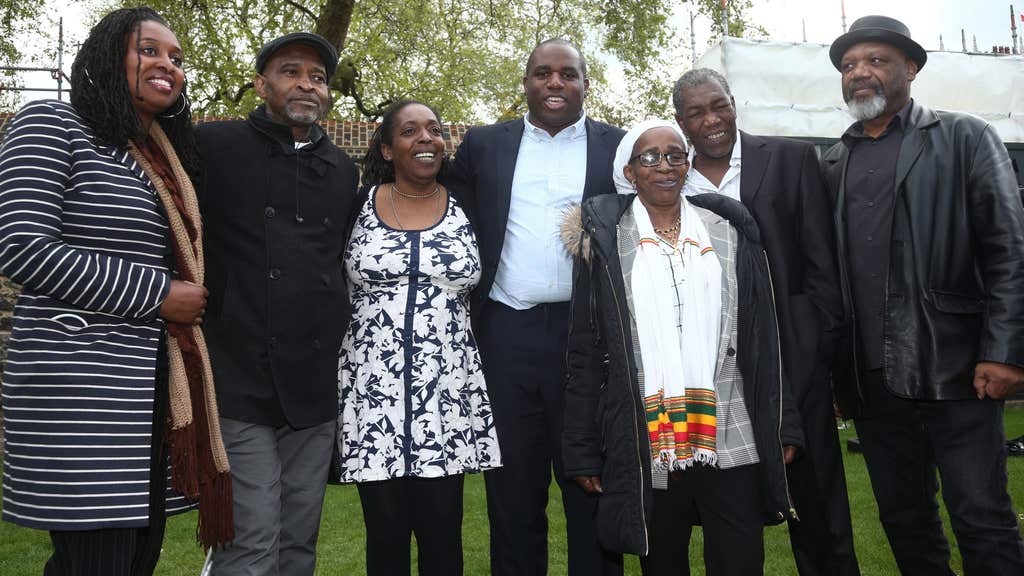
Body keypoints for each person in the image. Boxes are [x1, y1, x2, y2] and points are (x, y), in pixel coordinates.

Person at [0, 6, 232, 574]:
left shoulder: (159, 155)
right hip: (82, 388)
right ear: (108, 55)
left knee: (135, 559)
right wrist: (158, 294)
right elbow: (21, 248)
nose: (167, 65)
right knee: (95, 561)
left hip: (154, 386)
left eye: (176, 58)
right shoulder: (50, 123)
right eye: (148, 50)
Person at [822, 15, 1024, 575]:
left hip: (958, 371)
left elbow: (1009, 249)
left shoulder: (965, 136)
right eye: (848, 65)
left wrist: (1005, 351)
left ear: (910, 68)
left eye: (876, 60)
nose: (860, 73)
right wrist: (838, 374)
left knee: (981, 517)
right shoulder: (832, 162)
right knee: (906, 521)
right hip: (871, 384)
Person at [561, 119, 803, 576]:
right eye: (649, 158)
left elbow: (762, 335)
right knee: (664, 562)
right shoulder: (607, 242)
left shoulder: (728, 230)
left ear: (687, 165)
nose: (664, 166)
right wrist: (582, 446)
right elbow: (586, 350)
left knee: (740, 560)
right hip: (650, 435)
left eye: (675, 155)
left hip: (732, 425)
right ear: (629, 172)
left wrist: (783, 421)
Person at [446, 38, 625, 575]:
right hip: (507, 336)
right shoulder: (483, 145)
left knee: (589, 486)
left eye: (567, 74)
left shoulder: (617, 147)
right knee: (513, 493)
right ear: (525, 82)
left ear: (585, 85)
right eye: (542, 73)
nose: (554, 83)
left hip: (589, 340)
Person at [672, 68, 859, 576]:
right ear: (681, 121)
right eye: (696, 112)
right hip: (714, 366)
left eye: (719, 106)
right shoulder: (672, 179)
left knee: (819, 501)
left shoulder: (792, 158)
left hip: (794, 358)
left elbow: (823, 262)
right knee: (727, 505)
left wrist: (819, 347)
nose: (711, 120)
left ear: (734, 103)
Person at [197, 32, 358, 575]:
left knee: (297, 540)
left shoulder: (342, 169)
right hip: (239, 373)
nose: (306, 84)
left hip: (313, 382)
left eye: (317, 77)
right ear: (262, 83)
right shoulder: (213, 147)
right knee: (252, 537)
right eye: (291, 72)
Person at [337, 99, 502, 575]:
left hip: (445, 390)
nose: (426, 138)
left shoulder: (468, 205)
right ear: (388, 149)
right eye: (410, 131)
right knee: (384, 530)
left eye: (433, 129)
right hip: (372, 389)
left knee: (443, 526)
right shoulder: (358, 206)